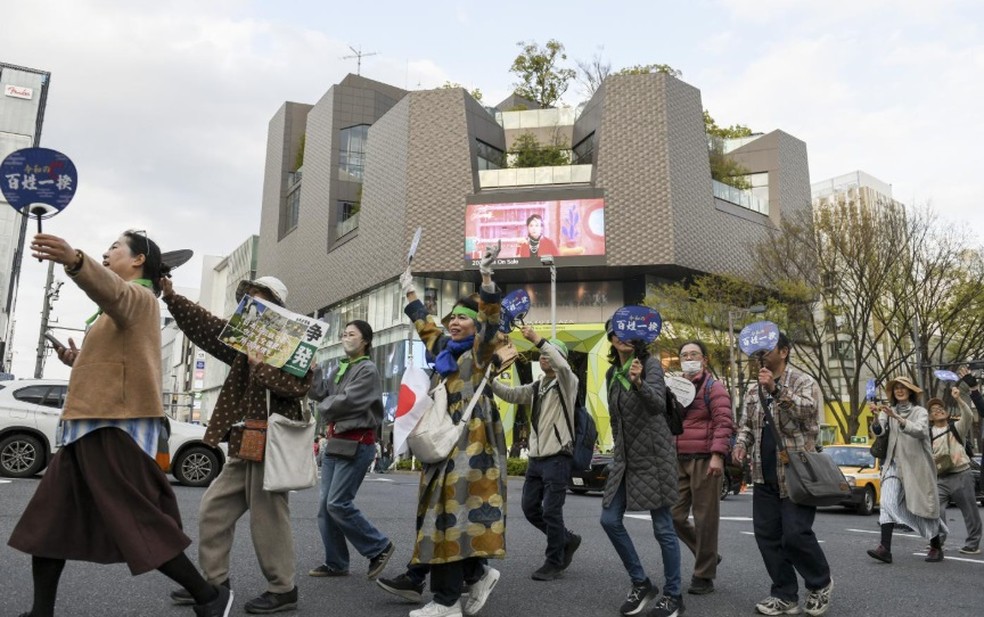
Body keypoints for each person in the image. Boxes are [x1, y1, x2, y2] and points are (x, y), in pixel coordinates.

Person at [8, 231, 233, 617]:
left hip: (113, 426)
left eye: (115, 247)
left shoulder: (140, 298)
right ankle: (40, 612)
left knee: (137, 521)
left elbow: (115, 294)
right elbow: (117, 362)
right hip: (86, 426)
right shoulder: (116, 309)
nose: (106, 252)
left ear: (139, 260)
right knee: (49, 522)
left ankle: (209, 595)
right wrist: (76, 360)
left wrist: (76, 260)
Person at [163, 275, 313, 614]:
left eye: (258, 298)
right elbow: (208, 327)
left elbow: (299, 386)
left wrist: (261, 369)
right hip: (244, 440)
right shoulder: (244, 340)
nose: (251, 305)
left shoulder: (296, 341)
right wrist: (172, 297)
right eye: (248, 299)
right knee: (213, 509)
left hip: (271, 442)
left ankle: (283, 588)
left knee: (268, 519)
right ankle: (214, 583)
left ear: (277, 306)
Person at [381, 245, 507, 617]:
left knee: (450, 515)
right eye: (453, 318)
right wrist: (409, 291)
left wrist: (486, 280)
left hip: (473, 446)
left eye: (463, 320)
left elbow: (491, 321)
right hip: (445, 443)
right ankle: (477, 574)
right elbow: (425, 324)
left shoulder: (480, 353)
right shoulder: (443, 351)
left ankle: (447, 601)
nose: (455, 323)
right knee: (446, 516)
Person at [733, 333, 832, 617]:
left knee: (795, 534)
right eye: (758, 350)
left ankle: (820, 583)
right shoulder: (754, 390)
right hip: (763, 475)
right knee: (768, 537)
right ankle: (784, 594)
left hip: (796, 473)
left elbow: (809, 415)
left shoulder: (803, 381)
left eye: (768, 348)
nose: (761, 354)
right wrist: (740, 445)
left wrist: (776, 390)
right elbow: (746, 426)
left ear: (785, 351)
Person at [600, 319, 683, 617]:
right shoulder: (611, 373)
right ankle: (641, 583)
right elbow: (615, 419)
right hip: (624, 458)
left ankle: (674, 595)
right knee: (609, 520)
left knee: (663, 529)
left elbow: (657, 405)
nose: (621, 337)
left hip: (653, 457)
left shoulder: (651, 365)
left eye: (627, 333)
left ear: (638, 339)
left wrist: (638, 383)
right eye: (615, 332)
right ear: (610, 338)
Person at [491, 327, 581, 581]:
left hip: (557, 456)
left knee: (552, 511)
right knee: (530, 508)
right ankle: (567, 539)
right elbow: (511, 394)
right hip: (537, 458)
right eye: (541, 355)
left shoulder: (567, 382)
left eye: (550, 355)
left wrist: (540, 341)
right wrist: (489, 380)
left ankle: (554, 560)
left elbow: (563, 367)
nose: (544, 358)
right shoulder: (538, 385)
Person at [306, 320, 394, 579]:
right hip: (337, 442)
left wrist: (325, 406)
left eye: (351, 334)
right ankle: (336, 562)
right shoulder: (341, 367)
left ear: (365, 341)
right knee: (326, 506)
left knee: (338, 502)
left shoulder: (367, 370)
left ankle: (379, 546)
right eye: (343, 333)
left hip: (358, 443)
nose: (345, 337)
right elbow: (320, 394)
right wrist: (314, 371)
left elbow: (346, 403)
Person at [671, 340, 734, 596]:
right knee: (673, 515)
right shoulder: (674, 387)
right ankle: (707, 554)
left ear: (705, 360)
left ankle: (703, 575)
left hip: (705, 459)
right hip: (677, 458)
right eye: (684, 355)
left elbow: (724, 422)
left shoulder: (714, 388)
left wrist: (718, 455)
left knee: (705, 519)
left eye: (694, 354)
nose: (689, 358)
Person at [866, 375, 947, 566]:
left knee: (923, 508)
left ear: (911, 391)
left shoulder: (920, 412)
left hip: (916, 466)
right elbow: (880, 432)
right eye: (896, 388)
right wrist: (877, 417)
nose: (899, 390)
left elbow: (919, 431)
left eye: (903, 387)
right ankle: (885, 548)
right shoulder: (888, 411)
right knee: (886, 502)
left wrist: (898, 418)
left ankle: (936, 545)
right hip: (893, 465)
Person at [930, 388, 981, 555]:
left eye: (940, 408)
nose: (938, 411)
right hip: (940, 477)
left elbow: (967, 415)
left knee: (969, 510)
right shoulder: (928, 434)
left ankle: (973, 543)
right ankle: (938, 540)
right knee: (935, 509)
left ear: (946, 412)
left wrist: (959, 399)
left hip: (961, 474)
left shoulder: (956, 428)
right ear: (930, 417)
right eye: (933, 410)